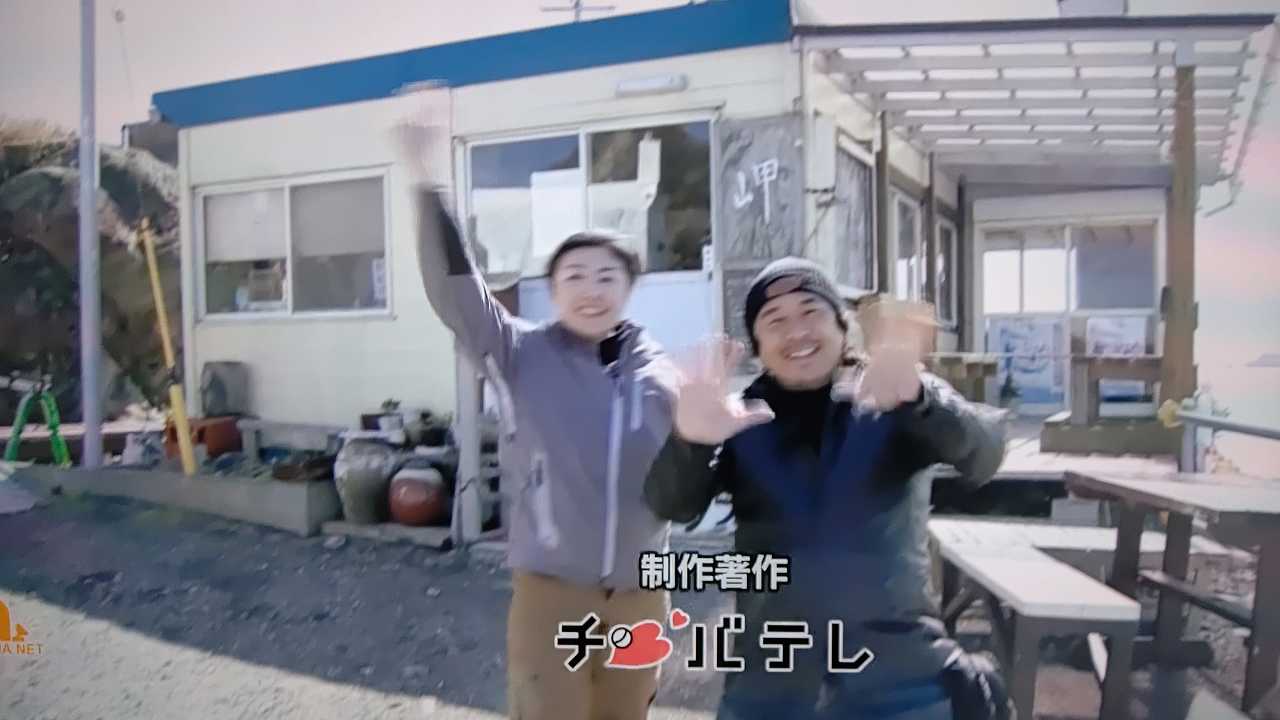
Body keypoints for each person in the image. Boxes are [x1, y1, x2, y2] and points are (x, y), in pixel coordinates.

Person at [393, 102, 678, 720]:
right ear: (552, 291)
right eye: (574, 276)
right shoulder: (519, 353)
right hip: (553, 594)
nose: (591, 289)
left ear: (629, 289)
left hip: (642, 595)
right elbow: (457, 290)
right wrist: (429, 186)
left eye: (607, 276)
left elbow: (694, 471)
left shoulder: (661, 372)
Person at [644, 257, 1012, 720]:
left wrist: (924, 401)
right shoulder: (738, 419)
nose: (796, 331)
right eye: (775, 321)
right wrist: (688, 442)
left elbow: (985, 455)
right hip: (770, 682)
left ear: (841, 327)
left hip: (900, 679)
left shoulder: (894, 396)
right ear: (758, 346)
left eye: (810, 312)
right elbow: (672, 505)